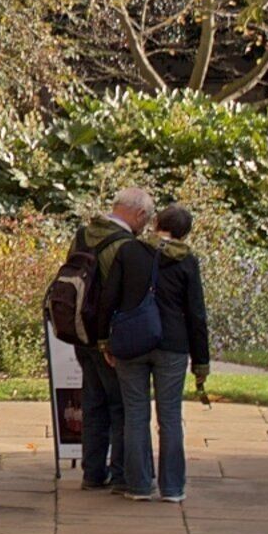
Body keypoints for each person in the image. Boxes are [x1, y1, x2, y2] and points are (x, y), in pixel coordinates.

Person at [63, 187, 157, 495]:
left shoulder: (83, 234)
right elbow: (119, 295)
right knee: (119, 405)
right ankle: (119, 475)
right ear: (139, 214)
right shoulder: (125, 245)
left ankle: (92, 472)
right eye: (146, 218)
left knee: (92, 402)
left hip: (78, 331)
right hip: (107, 337)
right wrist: (108, 342)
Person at [127, 202, 215, 502]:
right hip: (173, 344)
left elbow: (113, 295)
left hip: (134, 340)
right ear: (185, 232)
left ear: (156, 223)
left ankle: (138, 484)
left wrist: (105, 340)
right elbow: (196, 314)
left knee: (136, 414)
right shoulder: (187, 262)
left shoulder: (133, 252)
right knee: (170, 416)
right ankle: (173, 487)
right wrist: (201, 360)